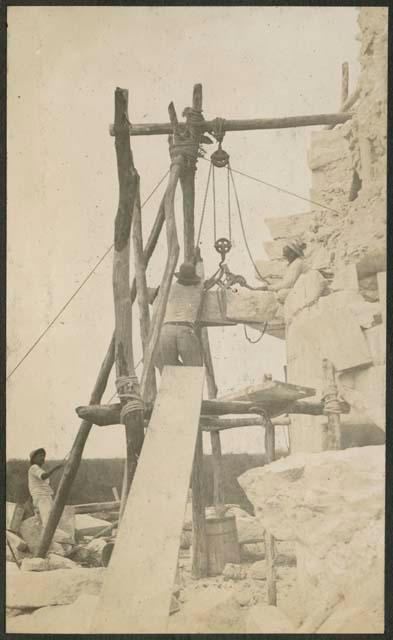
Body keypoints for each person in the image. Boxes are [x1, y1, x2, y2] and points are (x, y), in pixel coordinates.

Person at [151, 249, 205, 371]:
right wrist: (199, 259)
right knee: (194, 371)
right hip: (185, 331)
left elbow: (156, 306)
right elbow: (201, 276)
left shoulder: (168, 289)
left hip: (166, 332)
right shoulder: (197, 289)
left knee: (170, 372)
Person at [262, 239, 308, 304]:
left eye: (286, 254)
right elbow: (287, 276)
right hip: (298, 286)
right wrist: (274, 276)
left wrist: (269, 288)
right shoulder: (294, 263)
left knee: (281, 294)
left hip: (304, 289)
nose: (284, 256)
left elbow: (288, 283)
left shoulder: (297, 263)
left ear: (293, 254)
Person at [28, 448, 64, 529]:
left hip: (42, 497)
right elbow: (43, 476)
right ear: (34, 459)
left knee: (40, 521)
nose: (42, 458)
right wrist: (55, 468)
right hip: (42, 497)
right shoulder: (34, 467)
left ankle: (41, 539)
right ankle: (49, 540)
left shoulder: (37, 469)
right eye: (40, 456)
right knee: (47, 521)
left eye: (43, 456)